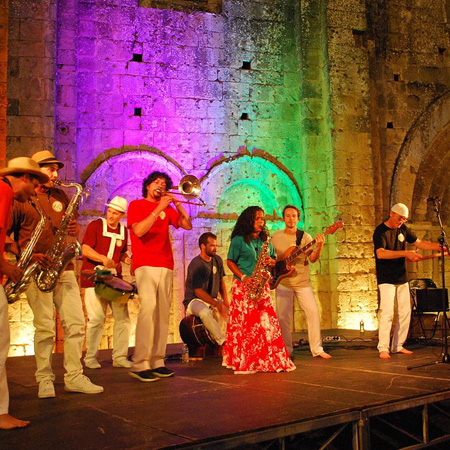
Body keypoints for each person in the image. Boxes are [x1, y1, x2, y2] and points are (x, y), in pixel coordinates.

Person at [9, 150, 103, 398]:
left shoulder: (60, 195)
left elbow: (69, 226)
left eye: (56, 169)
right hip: (37, 269)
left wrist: (75, 228)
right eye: (50, 169)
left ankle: (74, 376)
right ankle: (44, 380)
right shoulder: (20, 199)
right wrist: (25, 256)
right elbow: (8, 236)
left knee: (76, 324)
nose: (55, 174)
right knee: (44, 328)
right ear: (35, 171)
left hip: (64, 268)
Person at [127, 171, 192, 382]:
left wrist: (178, 204)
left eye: (164, 183)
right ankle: (140, 363)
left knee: (163, 313)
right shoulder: (136, 205)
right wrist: (159, 208)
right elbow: (138, 231)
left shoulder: (168, 208)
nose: (161, 186)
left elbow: (187, 225)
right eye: (156, 182)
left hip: (166, 264)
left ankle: (156, 361)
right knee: (148, 309)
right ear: (147, 186)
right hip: (145, 263)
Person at [0, 157, 48, 429]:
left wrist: (18, 256)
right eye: (35, 184)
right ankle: (0, 413)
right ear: (25, 178)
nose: (34, 192)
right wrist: (7, 266)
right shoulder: (5, 191)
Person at [223, 205, 296, 374]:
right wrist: (243, 277)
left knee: (266, 323)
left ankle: (266, 359)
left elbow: (272, 259)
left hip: (261, 286)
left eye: (262, 218)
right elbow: (230, 262)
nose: (261, 222)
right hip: (244, 286)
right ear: (249, 220)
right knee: (247, 325)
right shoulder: (239, 240)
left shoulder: (265, 240)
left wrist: (272, 261)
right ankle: (246, 360)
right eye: (257, 218)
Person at [373, 203, 442, 359]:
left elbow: (419, 243)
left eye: (404, 219)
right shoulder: (380, 231)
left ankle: (398, 345)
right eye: (400, 218)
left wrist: (439, 247)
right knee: (387, 312)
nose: (401, 221)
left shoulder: (403, 229)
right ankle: (383, 347)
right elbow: (381, 253)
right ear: (391, 213)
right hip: (386, 278)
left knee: (405, 312)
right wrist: (406, 253)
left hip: (401, 277)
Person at [272, 205, 331, 359]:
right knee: (283, 317)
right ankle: (286, 350)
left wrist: (319, 246)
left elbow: (312, 259)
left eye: (294, 216)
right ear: (283, 218)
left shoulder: (305, 237)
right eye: (287, 216)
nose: (291, 219)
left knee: (312, 312)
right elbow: (273, 260)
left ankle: (317, 349)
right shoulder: (275, 237)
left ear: (298, 218)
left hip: (302, 282)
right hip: (283, 282)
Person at [81, 196, 132, 369]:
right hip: (94, 277)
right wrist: (103, 259)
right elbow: (85, 249)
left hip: (114, 279)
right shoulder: (96, 225)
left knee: (123, 318)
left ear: (121, 215)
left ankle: (120, 356)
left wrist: (127, 260)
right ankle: (90, 357)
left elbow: (122, 252)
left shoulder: (124, 231)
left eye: (115, 213)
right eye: (109, 211)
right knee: (96, 318)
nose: (110, 216)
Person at [183, 232, 229, 346]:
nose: (215, 249)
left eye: (216, 246)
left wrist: (226, 302)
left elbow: (221, 282)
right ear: (203, 246)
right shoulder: (196, 264)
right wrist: (215, 303)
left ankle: (235, 340)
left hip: (211, 299)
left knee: (231, 312)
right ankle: (222, 341)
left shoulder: (217, 260)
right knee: (205, 313)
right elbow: (197, 291)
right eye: (212, 246)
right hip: (194, 300)